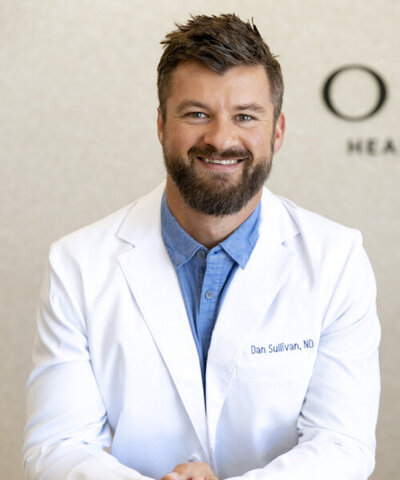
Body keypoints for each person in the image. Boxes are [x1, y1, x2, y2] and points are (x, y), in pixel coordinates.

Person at [23, 13, 380, 480]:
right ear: (160, 124)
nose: (221, 138)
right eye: (196, 114)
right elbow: (55, 447)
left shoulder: (337, 260)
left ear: (278, 131)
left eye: (245, 116)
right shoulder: (77, 264)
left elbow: (342, 445)